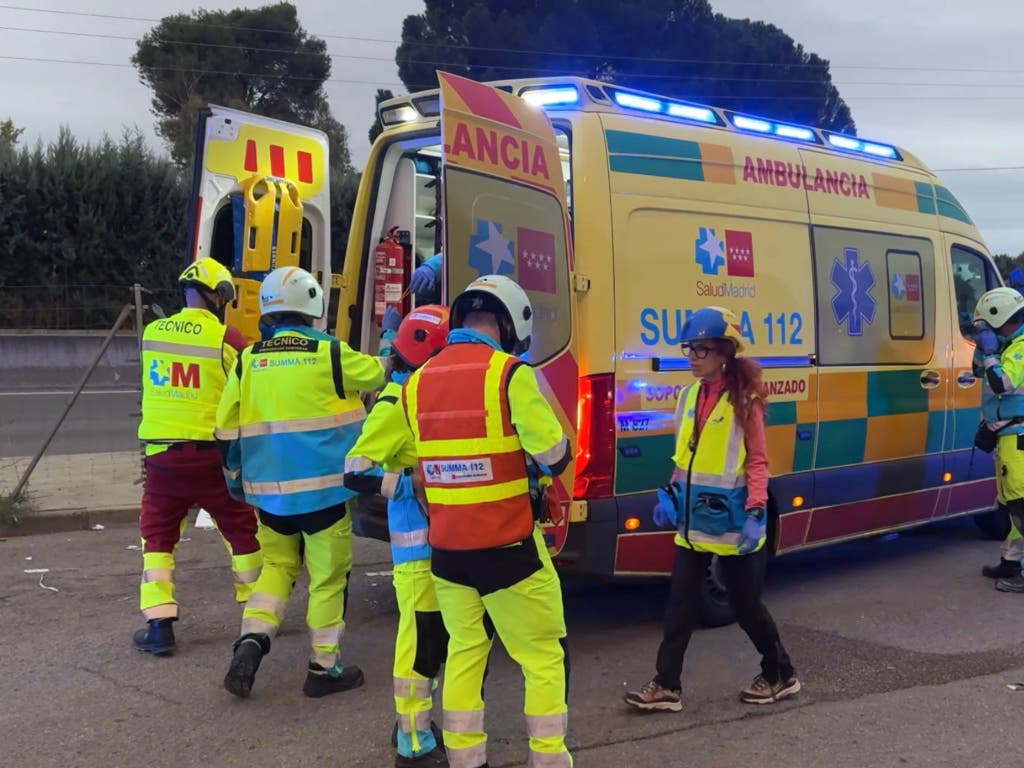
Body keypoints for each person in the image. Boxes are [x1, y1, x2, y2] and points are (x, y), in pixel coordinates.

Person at [345, 275, 573, 768]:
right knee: (542, 655)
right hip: (508, 547)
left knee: (466, 652)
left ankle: (467, 761)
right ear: (508, 325)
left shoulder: (417, 382)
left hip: (447, 552)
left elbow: (376, 464)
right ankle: (548, 759)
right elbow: (554, 456)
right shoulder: (510, 374)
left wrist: (419, 478)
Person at [216, 266, 387, 698]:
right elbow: (377, 375)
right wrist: (391, 343)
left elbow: (225, 427)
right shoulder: (331, 353)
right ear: (313, 307)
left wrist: (237, 481)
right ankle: (323, 669)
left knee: (276, 570)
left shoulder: (249, 361)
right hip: (324, 495)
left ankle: (252, 640)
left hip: (270, 498)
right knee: (327, 579)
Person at [625, 306, 800, 712]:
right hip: (693, 522)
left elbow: (757, 461)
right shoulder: (688, 396)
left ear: (724, 353)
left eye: (701, 349)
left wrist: (756, 511)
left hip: (734, 522)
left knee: (746, 606)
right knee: (680, 604)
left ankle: (781, 673)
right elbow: (685, 455)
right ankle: (667, 685)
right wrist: (672, 493)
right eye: (690, 348)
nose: (693, 356)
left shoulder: (746, 401)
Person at [133, 257, 261, 655]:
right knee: (241, 529)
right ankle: (259, 613)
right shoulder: (227, 339)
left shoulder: (152, 333)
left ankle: (159, 626)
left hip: (162, 459)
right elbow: (249, 391)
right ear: (218, 297)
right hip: (211, 458)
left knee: (157, 537)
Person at [346, 305, 452, 768]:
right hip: (416, 545)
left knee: (434, 639)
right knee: (420, 641)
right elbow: (355, 471)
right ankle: (412, 742)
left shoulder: (421, 393)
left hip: (439, 539)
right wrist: (410, 483)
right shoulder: (396, 403)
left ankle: (414, 720)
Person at [972, 287, 1024, 593]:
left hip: (1019, 437)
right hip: (1006, 436)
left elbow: (1003, 383)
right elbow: (978, 372)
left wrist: (991, 354)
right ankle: (1011, 563)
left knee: (1021, 505)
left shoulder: (1021, 347)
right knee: (1010, 508)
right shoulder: (1008, 344)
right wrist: (983, 351)